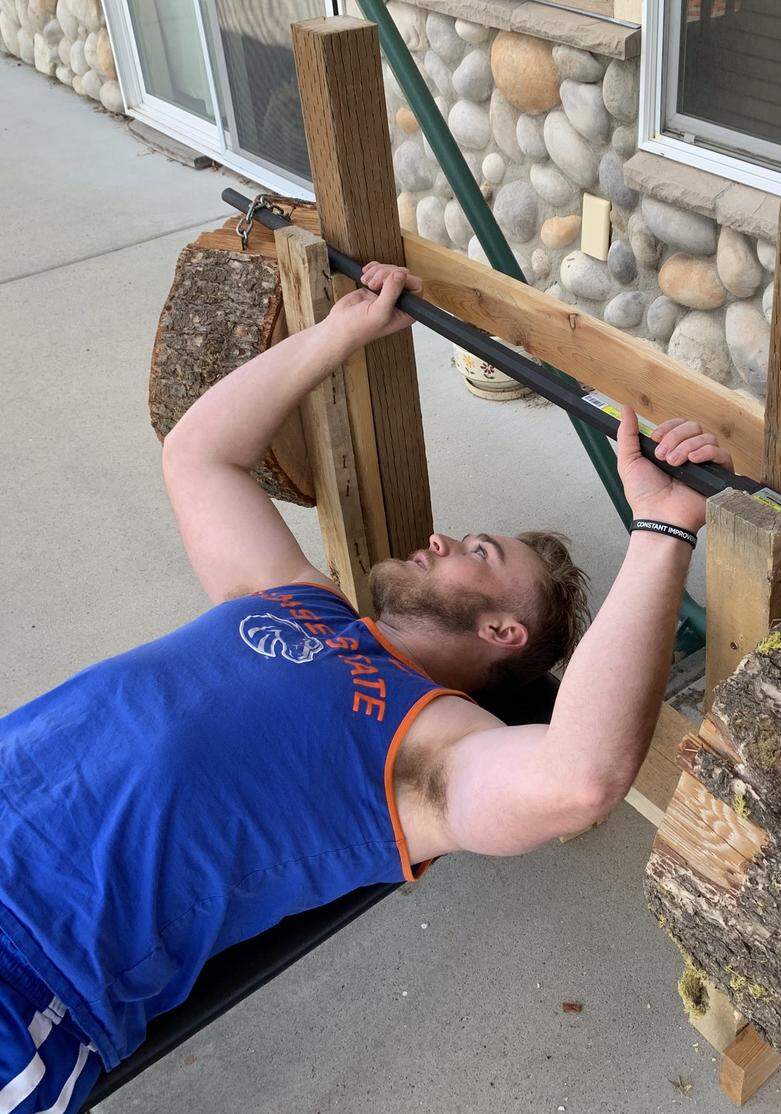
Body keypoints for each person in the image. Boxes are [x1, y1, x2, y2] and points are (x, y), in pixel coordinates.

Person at [0, 261, 734, 1111]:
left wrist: (661, 528)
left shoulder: (429, 749)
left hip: (34, 966)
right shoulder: (299, 597)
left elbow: (579, 779)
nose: (439, 538)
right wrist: (342, 331)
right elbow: (200, 456)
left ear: (503, 633)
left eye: (477, 553)